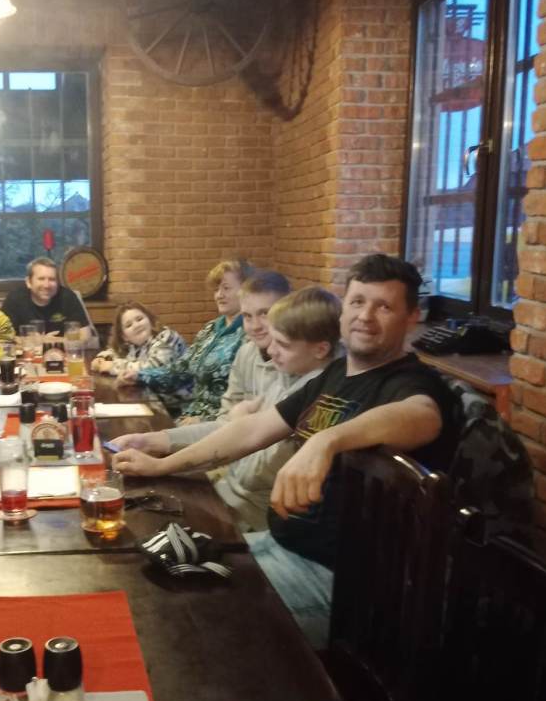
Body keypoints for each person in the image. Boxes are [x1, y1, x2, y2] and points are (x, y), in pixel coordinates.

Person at [113, 254, 460, 649]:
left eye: (384, 306)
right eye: (358, 302)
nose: (366, 316)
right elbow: (251, 430)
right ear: (344, 308)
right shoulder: (336, 375)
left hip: (338, 582)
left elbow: (422, 416)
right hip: (278, 545)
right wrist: (161, 464)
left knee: (183, 622)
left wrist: (327, 440)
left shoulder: (412, 382)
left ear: (412, 316)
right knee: (151, 574)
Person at [164, 286, 341, 532]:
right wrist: (161, 441)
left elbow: (254, 464)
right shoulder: (289, 368)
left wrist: (237, 425)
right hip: (231, 492)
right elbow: (232, 428)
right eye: (247, 316)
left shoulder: (318, 390)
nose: (271, 350)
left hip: (258, 517)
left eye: (282, 344)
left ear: (320, 349)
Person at [119, 259, 248, 421]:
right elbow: (181, 369)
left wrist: (205, 420)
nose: (219, 295)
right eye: (216, 289)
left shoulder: (249, 334)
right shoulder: (210, 328)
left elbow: (247, 399)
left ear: (245, 290)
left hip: (218, 423)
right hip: (189, 414)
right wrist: (139, 375)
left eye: (226, 288)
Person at [217, 271, 291, 417]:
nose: (255, 326)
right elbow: (225, 414)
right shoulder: (245, 354)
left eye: (264, 314)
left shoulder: (298, 361)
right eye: (247, 316)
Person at [91, 301, 187, 378]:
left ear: (150, 320)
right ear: (124, 336)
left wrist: (113, 367)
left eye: (139, 319)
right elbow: (114, 351)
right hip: (153, 394)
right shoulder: (135, 345)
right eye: (129, 325)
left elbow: (153, 368)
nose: (136, 326)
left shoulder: (167, 337)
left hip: (179, 396)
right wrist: (101, 359)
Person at [0, 257, 90, 338]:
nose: (47, 285)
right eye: (41, 279)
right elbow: (3, 336)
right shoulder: (15, 299)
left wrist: (53, 342)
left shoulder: (68, 297)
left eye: (52, 279)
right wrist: (37, 341)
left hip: (62, 350)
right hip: (26, 350)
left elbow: (86, 335)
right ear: (29, 282)